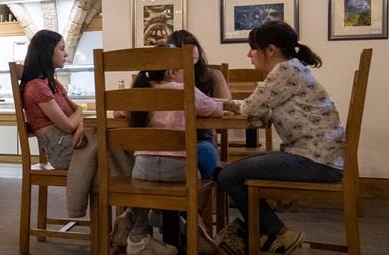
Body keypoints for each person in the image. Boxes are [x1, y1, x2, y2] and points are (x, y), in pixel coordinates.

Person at [217, 21, 343, 253]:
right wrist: (238, 108)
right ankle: (267, 237)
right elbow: (260, 112)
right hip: (318, 157)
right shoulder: (293, 68)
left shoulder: (285, 70)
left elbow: (250, 109)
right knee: (232, 172)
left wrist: (216, 104)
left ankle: (279, 234)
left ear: (271, 50)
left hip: (314, 161)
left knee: (228, 175)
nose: (249, 54)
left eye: (253, 48)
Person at [121, 65, 222, 255]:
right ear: (171, 72)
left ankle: (145, 226)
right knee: (200, 171)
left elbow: (120, 112)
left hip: (143, 169)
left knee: (152, 184)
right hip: (178, 171)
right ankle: (189, 224)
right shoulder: (185, 90)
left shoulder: (140, 91)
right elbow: (215, 110)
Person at [18, 30, 108, 219]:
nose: (66, 54)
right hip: (61, 150)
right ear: (46, 52)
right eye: (61, 49)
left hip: (70, 143)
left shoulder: (54, 84)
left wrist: (81, 125)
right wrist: (78, 121)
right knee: (110, 151)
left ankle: (125, 223)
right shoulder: (36, 87)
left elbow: (78, 111)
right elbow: (68, 125)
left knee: (112, 146)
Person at [166, 30, 230, 180]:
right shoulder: (162, 78)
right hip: (164, 141)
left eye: (193, 45)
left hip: (201, 139)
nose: (191, 49)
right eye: (184, 46)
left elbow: (226, 105)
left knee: (203, 152)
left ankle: (204, 198)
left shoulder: (213, 75)